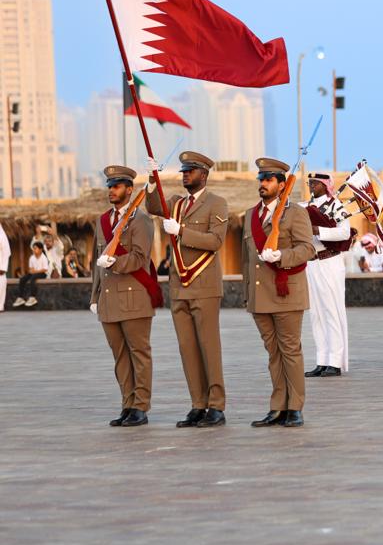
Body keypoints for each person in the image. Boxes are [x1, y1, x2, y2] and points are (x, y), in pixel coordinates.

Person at [145, 151, 230, 428]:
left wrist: (181, 231)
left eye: (190, 171)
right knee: (188, 349)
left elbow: (214, 242)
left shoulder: (216, 203)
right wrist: (151, 178)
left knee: (209, 347)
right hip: (180, 286)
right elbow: (154, 205)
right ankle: (198, 403)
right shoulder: (176, 204)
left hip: (204, 285)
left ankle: (216, 405)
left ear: (203, 174)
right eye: (183, 171)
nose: (185, 175)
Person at [243, 158, 316, 427]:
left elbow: (308, 249)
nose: (262, 184)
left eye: (268, 180)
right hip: (260, 295)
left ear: (281, 184)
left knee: (290, 351)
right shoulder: (251, 215)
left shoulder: (295, 213)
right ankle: (278, 406)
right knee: (273, 353)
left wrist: (282, 255)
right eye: (261, 179)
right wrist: (247, 294)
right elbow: (247, 260)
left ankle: (295, 406)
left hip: (286, 292)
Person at [90, 165, 162, 427]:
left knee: (139, 354)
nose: (111, 190)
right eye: (109, 186)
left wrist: (114, 262)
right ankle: (127, 404)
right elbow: (95, 262)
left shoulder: (140, 220)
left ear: (129, 189)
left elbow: (140, 258)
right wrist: (95, 296)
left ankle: (141, 407)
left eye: (116, 186)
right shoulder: (102, 221)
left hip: (134, 297)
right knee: (120, 357)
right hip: (109, 299)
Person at [301, 172, 353, 379]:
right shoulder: (305, 206)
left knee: (332, 311)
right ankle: (322, 359)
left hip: (330, 261)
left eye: (315, 183)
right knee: (316, 314)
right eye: (310, 183)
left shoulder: (336, 206)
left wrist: (318, 230)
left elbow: (345, 232)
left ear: (325, 185)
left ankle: (335, 361)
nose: (311, 186)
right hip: (312, 262)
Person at [13, 242, 48, 307]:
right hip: (33, 273)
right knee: (22, 279)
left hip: (42, 273)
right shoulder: (32, 257)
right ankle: (20, 297)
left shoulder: (44, 257)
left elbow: (45, 269)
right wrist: (33, 271)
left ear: (40, 250)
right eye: (33, 248)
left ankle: (32, 297)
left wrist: (35, 271)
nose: (34, 250)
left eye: (35, 248)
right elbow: (30, 269)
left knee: (33, 279)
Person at [0, 221, 9, 311]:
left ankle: (0, 306)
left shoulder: (2, 236)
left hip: (1, 268)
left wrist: (3, 267)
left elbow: (6, 252)